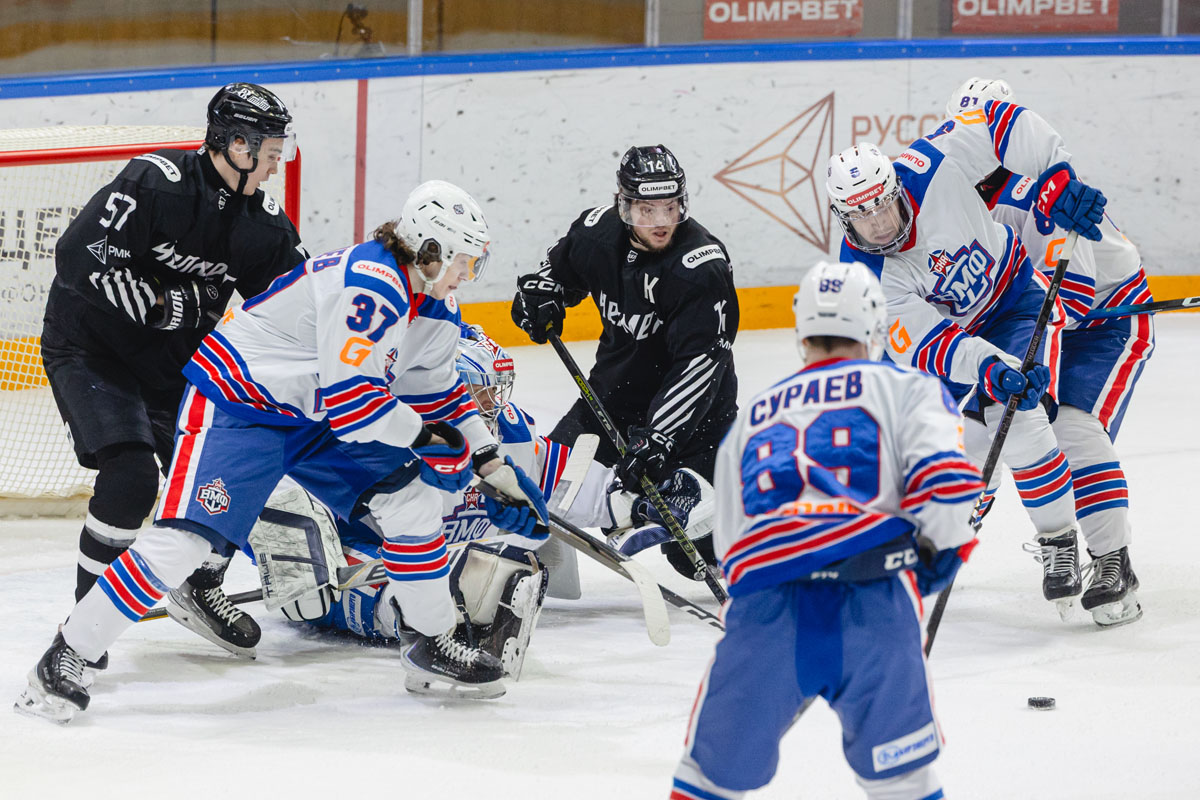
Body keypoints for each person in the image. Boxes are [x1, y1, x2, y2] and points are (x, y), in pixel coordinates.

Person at [16, 180, 550, 722]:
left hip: (316, 416)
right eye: (463, 261)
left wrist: (491, 464)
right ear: (430, 250)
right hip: (242, 405)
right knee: (184, 543)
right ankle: (67, 652)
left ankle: (430, 644)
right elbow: (355, 401)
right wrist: (427, 439)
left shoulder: (436, 305)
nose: (468, 275)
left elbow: (438, 391)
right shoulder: (373, 284)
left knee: (410, 502)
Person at [670, 261, 984, 800]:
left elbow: (730, 543)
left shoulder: (754, 416)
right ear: (875, 325)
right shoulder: (907, 389)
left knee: (707, 781)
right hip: (874, 603)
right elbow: (949, 483)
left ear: (802, 331)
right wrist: (940, 554)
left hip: (767, 611)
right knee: (904, 782)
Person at [251, 322, 716, 681]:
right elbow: (285, 494)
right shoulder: (379, 436)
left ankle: (456, 606)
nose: (492, 402)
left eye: (496, 388)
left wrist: (639, 504)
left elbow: (564, 484)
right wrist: (294, 551)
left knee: (493, 573)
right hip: (364, 568)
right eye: (480, 391)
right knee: (355, 599)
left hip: (439, 561)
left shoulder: (505, 430)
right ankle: (436, 620)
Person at [41, 82, 307, 665]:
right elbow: (78, 258)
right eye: (269, 152)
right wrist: (167, 305)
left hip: (174, 365)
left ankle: (200, 582)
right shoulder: (154, 182)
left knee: (236, 469)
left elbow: (298, 306)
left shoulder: (262, 225)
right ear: (236, 145)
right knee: (131, 476)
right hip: (91, 349)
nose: (275, 165)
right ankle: (86, 623)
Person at [825, 97, 1108, 613]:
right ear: (844, 218)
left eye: (883, 206)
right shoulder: (865, 277)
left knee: (1015, 416)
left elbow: (1002, 119)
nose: (880, 225)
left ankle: (1059, 540)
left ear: (895, 187)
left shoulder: (934, 163)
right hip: (950, 342)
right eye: (863, 217)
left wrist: (1057, 174)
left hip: (1013, 301)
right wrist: (986, 365)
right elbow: (930, 344)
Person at [945, 77, 1148, 626]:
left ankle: (1113, 562)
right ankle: (944, 540)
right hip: (1028, 318)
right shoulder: (951, 196)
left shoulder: (1037, 194)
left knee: (1071, 425)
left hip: (1104, 321)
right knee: (982, 422)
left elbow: (1072, 296)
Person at [511, 144, 738, 578]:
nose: (660, 222)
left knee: (695, 556)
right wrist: (538, 298)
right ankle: (528, 567)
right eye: (647, 210)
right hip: (612, 399)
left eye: (670, 208)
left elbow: (700, 365)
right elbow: (554, 277)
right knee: (546, 484)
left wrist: (659, 437)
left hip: (694, 422)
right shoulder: (596, 234)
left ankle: (753, 522)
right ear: (624, 205)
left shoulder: (701, 266)